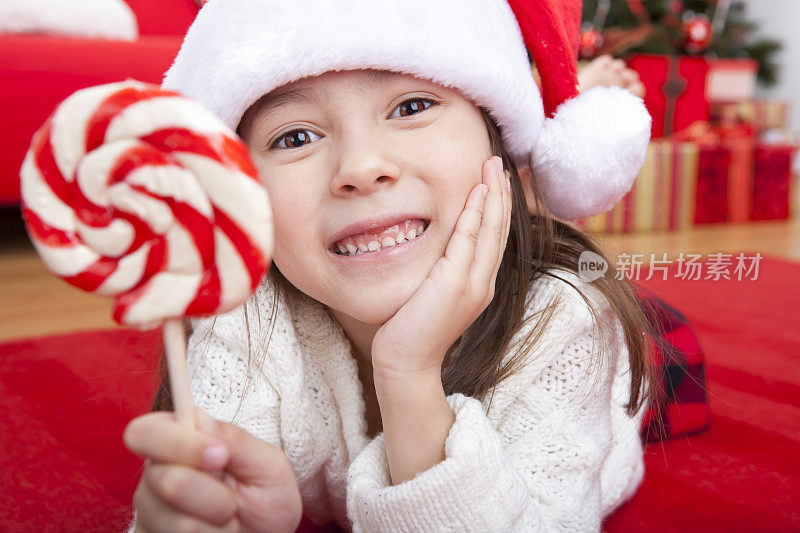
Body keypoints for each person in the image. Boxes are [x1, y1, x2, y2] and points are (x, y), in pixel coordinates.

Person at [123, 0, 660, 531]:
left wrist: (408, 375)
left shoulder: (565, 319)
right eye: (294, 137)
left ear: (495, 139)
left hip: (574, 341)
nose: (360, 168)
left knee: (630, 317)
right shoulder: (240, 311)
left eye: (410, 107)